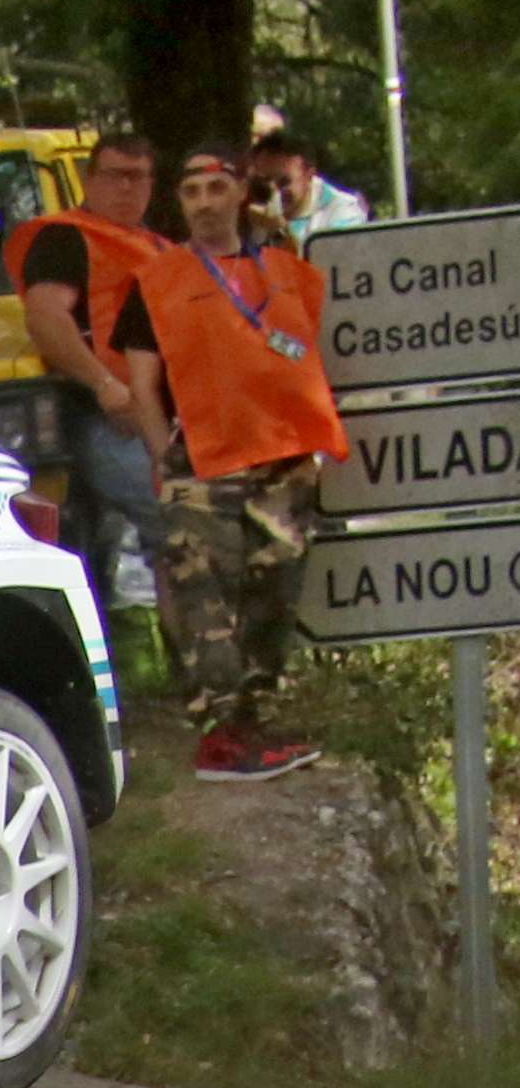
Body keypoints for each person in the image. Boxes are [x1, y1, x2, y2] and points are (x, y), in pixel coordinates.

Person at [111, 143, 352, 782]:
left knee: (274, 594)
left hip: (284, 459)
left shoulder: (285, 268)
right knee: (204, 595)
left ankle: (253, 724)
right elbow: (142, 384)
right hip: (203, 462)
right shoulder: (158, 281)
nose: (204, 204)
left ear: (240, 192)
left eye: (216, 189)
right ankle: (219, 734)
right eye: (191, 193)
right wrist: (164, 459)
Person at [4, 134, 167, 610]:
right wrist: (105, 385)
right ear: (89, 180)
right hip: (106, 416)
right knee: (174, 524)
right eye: (116, 176)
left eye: (139, 177)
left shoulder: (156, 245)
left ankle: (161, 645)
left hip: (156, 416)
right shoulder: (66, 238)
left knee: (141, 548)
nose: (128, 188)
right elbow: (45, 318)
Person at [252, 130, 372, 248]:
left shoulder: (344, 211)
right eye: (264, 181)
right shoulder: (248, 206)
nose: (273, 191)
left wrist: (279, 230)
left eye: (284, 182)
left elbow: (327, 260)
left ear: (309, 175)